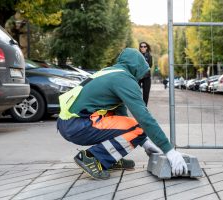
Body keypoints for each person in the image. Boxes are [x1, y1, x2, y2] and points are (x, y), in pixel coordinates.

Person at [57, 48, 187, 180]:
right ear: (137, 67)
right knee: (139, 126)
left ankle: (108, 158)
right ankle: (93, 158)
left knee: (128, 124)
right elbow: (144, 118)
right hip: (79, 124)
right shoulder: (124, 79)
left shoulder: (110, 72)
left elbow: (120, 115)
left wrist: (144, 143)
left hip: (69, 122)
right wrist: (169, 151)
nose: (142, 77)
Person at [138, 42, 152, 106]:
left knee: (146, 93)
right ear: (140, 48)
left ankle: (144, 107)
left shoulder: (149, 56)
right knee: (136, 92)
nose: (143, 48)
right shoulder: (137, 55)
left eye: (144, 46)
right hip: (138, 76)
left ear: (146, 47)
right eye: (141, 46)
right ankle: (138, 106)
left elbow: (150, 66)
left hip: (146, 77)